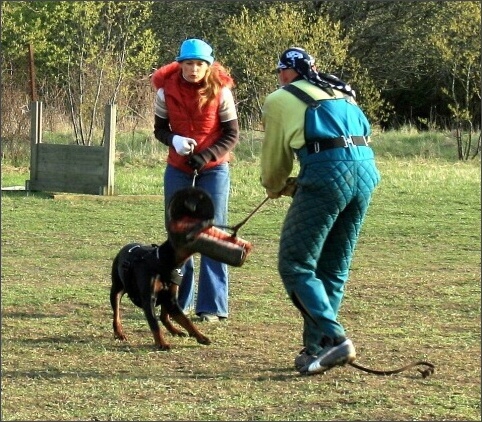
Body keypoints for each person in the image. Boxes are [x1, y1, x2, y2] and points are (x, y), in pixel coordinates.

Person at [260, 47, 381, 375]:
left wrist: (275, 186)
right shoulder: (342, 92)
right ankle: (317, 349)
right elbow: (362, 136)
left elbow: (275, 161)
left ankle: (335, 338)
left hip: (328, 176)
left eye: (279, 71)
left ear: (287, 72)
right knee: (334, 266)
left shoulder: (280, 99)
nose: (279, 77)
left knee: (295, 263)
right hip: (366, 174)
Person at [151, 38, 239, 322]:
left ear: (208, 66)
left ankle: (213, 307)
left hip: (214, 168)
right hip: (178, 167)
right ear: (180, 64)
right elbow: (160, 129)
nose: (193, 69)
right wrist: (173, 140)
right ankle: (178, 301)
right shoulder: (165, 92)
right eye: (188, 63)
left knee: (211, 233)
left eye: (199, 64)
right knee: (179, 234)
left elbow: (231, 134)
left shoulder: (222, 92)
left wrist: (207, 156)